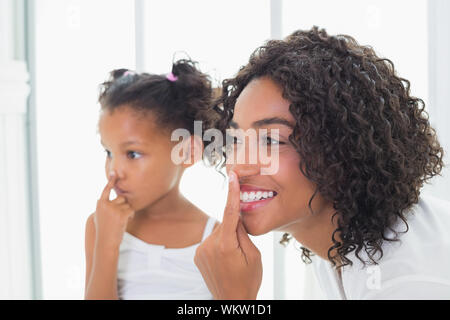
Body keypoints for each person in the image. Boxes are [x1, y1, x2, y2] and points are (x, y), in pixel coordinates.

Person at [194, 26, 450, 299]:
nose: (238, 166)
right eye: (235, 140)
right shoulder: (342, 247)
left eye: (270, 141)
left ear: (343, 147)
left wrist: (234, 298)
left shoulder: (408, 283)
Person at [84, 59, 220, 299]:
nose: (114, 171)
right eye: (109, 152)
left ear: (186, 152)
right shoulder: (99, 226)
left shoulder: (215, 239)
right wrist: (107, 243)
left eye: (132, 154)